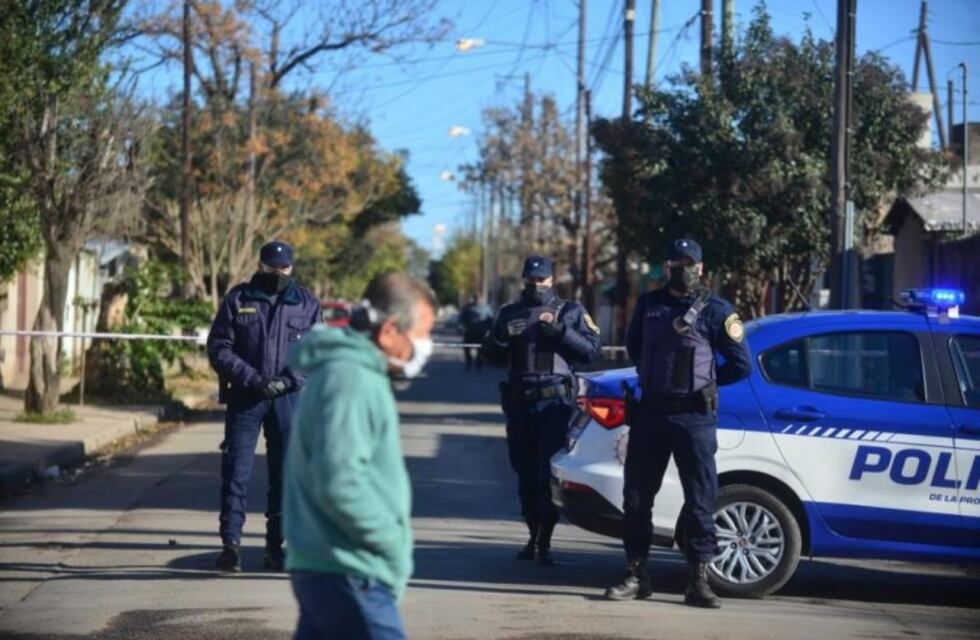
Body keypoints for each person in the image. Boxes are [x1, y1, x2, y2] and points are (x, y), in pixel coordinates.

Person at [283, 272, 436, 640]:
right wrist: (390, 541)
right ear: (388, 330)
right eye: (420, 335)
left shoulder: (351, 372)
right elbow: (340, 479)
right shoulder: (351, 378)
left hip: (333, 566)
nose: (424, 346)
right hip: (350, 569)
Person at [604, 238, 751, 608]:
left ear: (700, 267)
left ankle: (698, 580)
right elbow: (636, 349)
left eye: (689, 262)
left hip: (694, 417)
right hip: (651, 412)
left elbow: (740, 363)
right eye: (675, 261)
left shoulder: (717, 310)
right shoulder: (649, 305)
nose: (682, 268)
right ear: (666, 266)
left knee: (701, 500)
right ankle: (636, 574)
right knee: (637, 498)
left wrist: (706, 384)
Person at [206, 240, 321, 573]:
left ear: (292, 268)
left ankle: (276, 547)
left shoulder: (307, 303)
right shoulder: (239, 299)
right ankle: (231, 546)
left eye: (283, 268)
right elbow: (220, 348)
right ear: (260, 266)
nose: (277, 274)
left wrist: (288, 380)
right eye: (271, 268)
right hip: (247, 396)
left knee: (284, 475)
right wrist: (254, 379)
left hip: (287, 399)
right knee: (236, 473)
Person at [482, 256, 602, 565]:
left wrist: (562, 332)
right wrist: (502, 335)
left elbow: (591, 352)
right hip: (520, 403)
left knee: (543, 475)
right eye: (531, 280)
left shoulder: (571, 311)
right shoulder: (510, 312)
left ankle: (545, 541)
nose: (536, 285)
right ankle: (532, 535)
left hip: (555, 405)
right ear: (524, 279)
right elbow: (489, 355)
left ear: (552, 280)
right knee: (523, 474)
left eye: (542, 280)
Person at [460, 293, 493, 370]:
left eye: (478, 298)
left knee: (480, 349)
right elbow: (462, 318)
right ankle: (469, 361)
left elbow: (490, 319)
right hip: (470, 331)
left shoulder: (486, 308)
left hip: (481, 332)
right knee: (466, 348)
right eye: (475, 298)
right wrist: (462, 326)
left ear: (481, 299)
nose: (477, 300)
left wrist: (488, 330)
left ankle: (479, 363)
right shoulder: (468, 307)